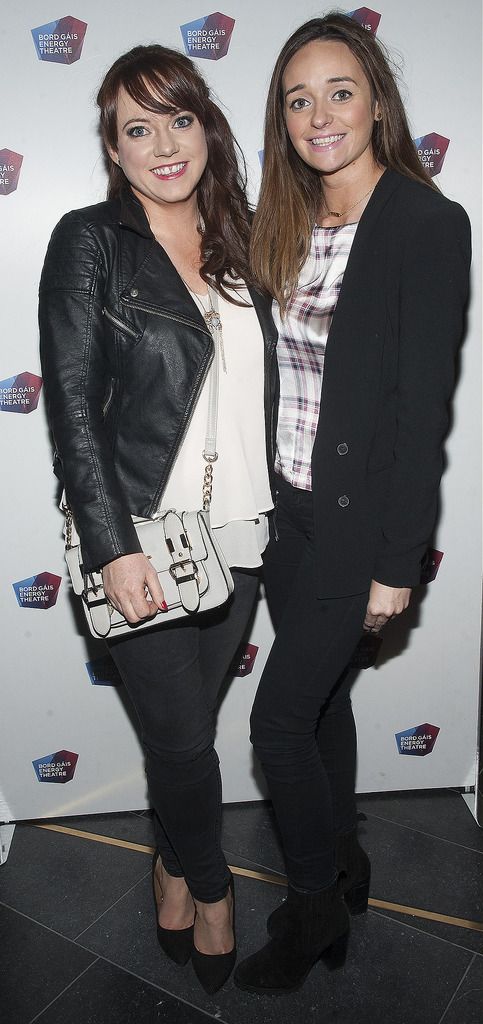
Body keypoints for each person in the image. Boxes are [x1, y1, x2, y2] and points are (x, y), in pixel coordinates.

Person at [234, 13, 471, 995]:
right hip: (288, 512)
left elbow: (423, 412)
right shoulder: (283, 221)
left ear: (377, 98)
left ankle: (315, 903)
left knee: (277, 726)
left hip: (355, 525)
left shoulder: (426, 222)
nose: (319, 113)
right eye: (298, 97)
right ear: (281, 119)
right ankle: (347, 861)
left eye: (339, 90)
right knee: (323, 705)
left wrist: (396, 559)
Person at [39, 44, 276, 995]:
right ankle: (212, 890)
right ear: (115, 149)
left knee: (187, 737)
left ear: (206, 128)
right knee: (182, 744)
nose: (163, 143)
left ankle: (170, 861)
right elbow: (69, 403)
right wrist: (112, 545)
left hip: (245, 536)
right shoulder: (89, 240)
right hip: (141, 535)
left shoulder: (250, 241)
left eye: (178, 118)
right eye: (137, 128)